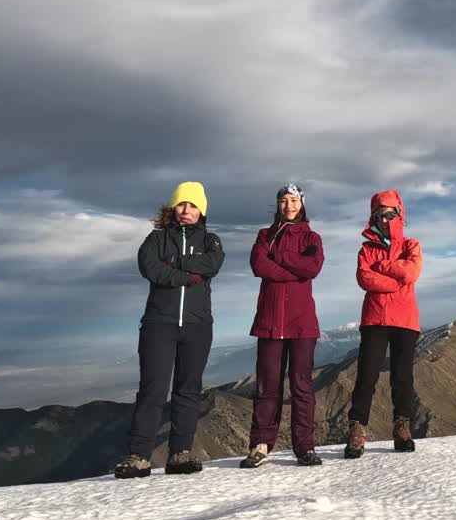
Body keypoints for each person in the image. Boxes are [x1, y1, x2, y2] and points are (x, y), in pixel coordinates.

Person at [115, 181, 224, 478]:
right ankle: (139, 456)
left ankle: (181, 453)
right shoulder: (156, 239)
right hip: (158, 325)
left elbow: (212, 265)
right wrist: (188, 275)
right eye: (181, 204)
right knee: (153, 390)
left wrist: (175, 265)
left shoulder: (211, 241)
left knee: (188, 390)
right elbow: (150, 268)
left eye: (192, 205)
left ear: (201, 210)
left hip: (197, 326)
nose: (186, 210)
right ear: (173, 208)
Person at [240, 183, 325, 468]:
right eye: (283, 201)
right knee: (267, 386)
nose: (289, 206)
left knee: (302, 386)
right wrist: (292, 268)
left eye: (294, 200)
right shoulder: (265, 235)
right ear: (277, 205)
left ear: (302, 203)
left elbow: (312, 268)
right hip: (270, 321)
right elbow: (258, 266)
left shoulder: (312, 237)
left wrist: (280, 257)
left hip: (302, 323)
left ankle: (305, 447)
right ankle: (261, 445)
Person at [345, 189, 423, 459]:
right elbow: (364, 279)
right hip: (375, 317)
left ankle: (402, 428)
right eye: (379, 215)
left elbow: (411, 273)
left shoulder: (411, 245)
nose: (384, 219)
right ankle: (357, 429)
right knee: (366, 376)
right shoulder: (367, 249)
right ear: (372, 218)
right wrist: (396, 274)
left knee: (403, 377)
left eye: (389, 214)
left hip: (405, 319)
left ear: (399, 214)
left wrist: (383, 266)